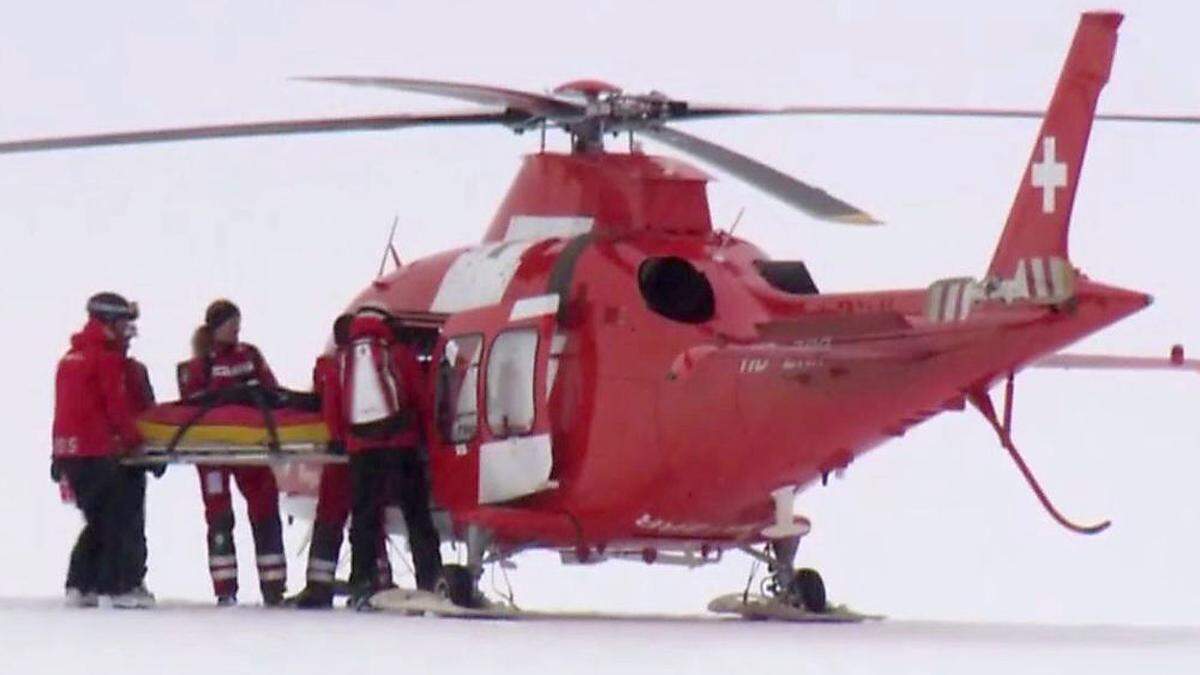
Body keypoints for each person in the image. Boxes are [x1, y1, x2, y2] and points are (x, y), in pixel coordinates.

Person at [325, 307, 442, 608]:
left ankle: (362, 582)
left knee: (364, 516)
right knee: (416, 513)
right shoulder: (397, 351)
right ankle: (430, 579)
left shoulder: (343, 358)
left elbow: (333, 403)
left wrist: (341, 439)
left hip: (362, 449)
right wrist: (428, 436)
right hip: (401, 443)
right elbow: (421, 395)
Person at [178, 299, 287, 606]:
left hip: (250, 445)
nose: (236, 328)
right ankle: (225, 588)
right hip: (213, 450)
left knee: (265, 507)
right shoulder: (201, 364)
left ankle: (273, 584)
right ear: (216, 327)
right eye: (230, 323)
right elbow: (191, 404)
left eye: (238, 322)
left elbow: (271, 389)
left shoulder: (250, 355)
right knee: (219, 516)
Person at [52, 292, 151, 608]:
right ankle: (119, 587)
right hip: (102, 452)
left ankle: (81, 584)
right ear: (108, 323)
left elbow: (64, 412)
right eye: (124, 324)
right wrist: (137, 442)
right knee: (119, 520)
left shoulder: (71, 358)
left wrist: (58, 457)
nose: (128, 332)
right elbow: (117, 407)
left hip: (72, 455)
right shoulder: (107, 360)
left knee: (98, 520)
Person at [290, 315, 395, 609]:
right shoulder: (372, 359)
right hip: (369, 448)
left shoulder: (331, 366)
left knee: (331, 515)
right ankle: (377, 578)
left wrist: (336, 437)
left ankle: (319, 584)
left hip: (340, 452)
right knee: (369, 513)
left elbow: (328, 403)